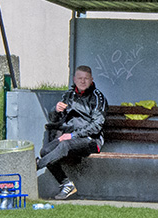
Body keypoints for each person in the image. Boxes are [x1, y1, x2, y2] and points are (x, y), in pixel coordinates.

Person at [36, 65, 108, 200]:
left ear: (91, 79)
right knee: (46, 151)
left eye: (86, 78)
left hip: (91, 140)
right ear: (74, 79)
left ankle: (37, 165)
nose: (83, 81)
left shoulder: (98, 98)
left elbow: (97, 126)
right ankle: (66, 184)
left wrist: (73, 135)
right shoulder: (68, 96)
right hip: (68, 137)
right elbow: (54, 119)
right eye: (80, 78)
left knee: (65, 145)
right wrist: (55, 110)